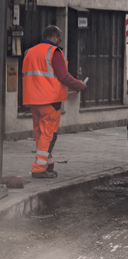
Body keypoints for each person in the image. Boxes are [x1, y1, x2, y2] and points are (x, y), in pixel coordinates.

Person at [22, 25, 87, 179]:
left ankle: (47, 164)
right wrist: (80, 85)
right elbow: (63, 76)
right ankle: (38, 168)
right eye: (59, 38)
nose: (59, 41)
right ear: (55, 37)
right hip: (50, 100)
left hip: (33, 99)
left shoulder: (30, 52)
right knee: (49, 135)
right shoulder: (54, 52)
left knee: (40, 133)